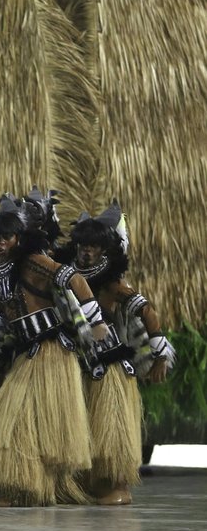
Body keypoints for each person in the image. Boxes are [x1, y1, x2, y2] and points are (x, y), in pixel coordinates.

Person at [0, 198, 110, 507]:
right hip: (26, 352)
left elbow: (74, 278)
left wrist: (96, 320)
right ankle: (30, 488)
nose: (0, 244)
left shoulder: (33, 261)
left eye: (6, 238)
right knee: (17, 422)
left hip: (50, 351)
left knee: (17, 420)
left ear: (18, 239)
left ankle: (27, 490)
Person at [54, 200, 175, 505]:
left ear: (105, 249)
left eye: (93, 246)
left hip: (111, 368)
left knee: (113, 431)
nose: (87, 251)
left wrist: (160, 354)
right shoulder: (65, 279)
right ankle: (87, 483)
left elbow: (147, 312)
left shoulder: (112, 284)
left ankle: (120, 486)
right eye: (82, 245)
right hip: (78, 365)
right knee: (85, 430)